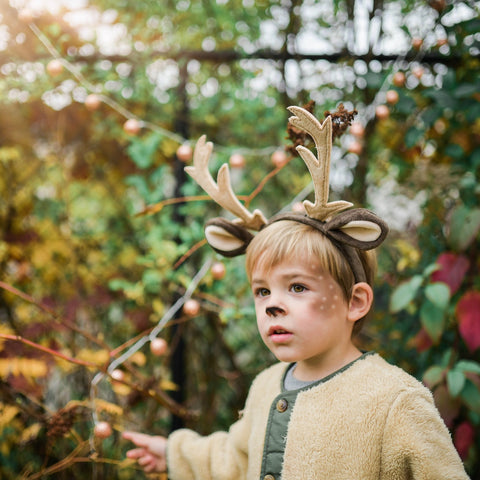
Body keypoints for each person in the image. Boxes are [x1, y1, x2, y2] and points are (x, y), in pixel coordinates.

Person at [123, 106, 470, 479]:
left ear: (355, 302)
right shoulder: (266, 386)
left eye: (298, 287)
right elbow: (236, 458)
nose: (272, 305)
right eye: (261, 291)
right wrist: (174, 454)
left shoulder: (394, 402)